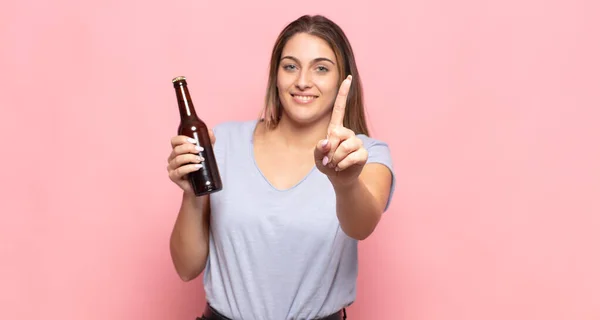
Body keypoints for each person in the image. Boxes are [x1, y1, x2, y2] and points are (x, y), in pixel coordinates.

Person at [166, 14, 396, 320]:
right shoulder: (222, 143)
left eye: (321, 68)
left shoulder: (364, 154)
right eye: (290, 66)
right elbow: (186, 268)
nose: (302, 81)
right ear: (276, 75)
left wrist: (345, 183)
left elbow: (361, 226)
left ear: (344, 80)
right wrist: (192, 193)